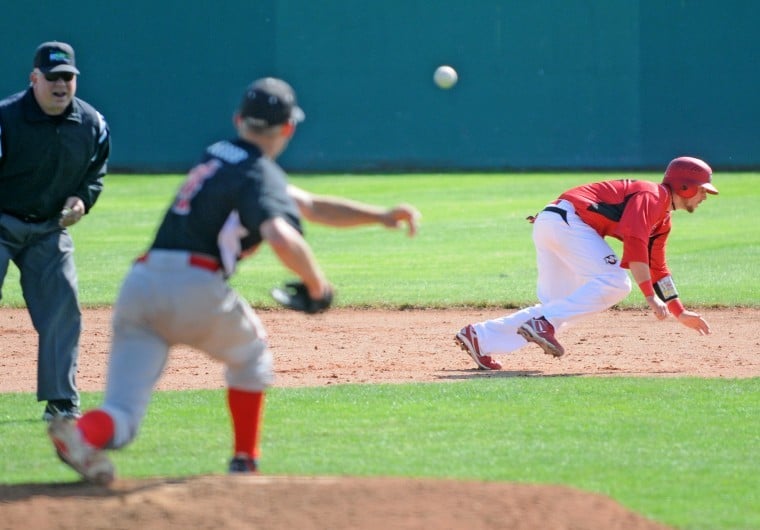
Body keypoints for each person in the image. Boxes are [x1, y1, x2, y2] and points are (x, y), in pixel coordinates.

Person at [47, 77, 421, 484]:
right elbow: (282, 233)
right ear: (288, 129)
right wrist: (319, 287)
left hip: (141, 284)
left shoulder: (218, 157)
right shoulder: (261, 173)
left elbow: (309, 205)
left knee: (123, 413)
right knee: (252, 359)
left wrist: (380, 216)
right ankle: (245, 462)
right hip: (194, 285)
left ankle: (80, 434)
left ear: (238, 120)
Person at [455, 156, 716, 370]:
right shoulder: (652, 196)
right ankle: (541, 323)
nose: (705, 196)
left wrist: (679, 311)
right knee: (616, 282)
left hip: (557, 223)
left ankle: (480, 337)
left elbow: (658, 268)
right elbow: (635, 246)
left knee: (561, 307)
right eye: (703, 189)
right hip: (567, 222)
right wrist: (650, 297)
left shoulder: (662, 220)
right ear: (685, 187)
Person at [0, 41, 110, 419]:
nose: (61, 85)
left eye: (68, 77)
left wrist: (82, 199)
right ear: (34, 79)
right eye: (53, 78)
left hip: (49, 227)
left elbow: (95, 175)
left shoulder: (92, 124)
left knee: (63, 305)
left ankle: (62, 401)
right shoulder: (5, 119)